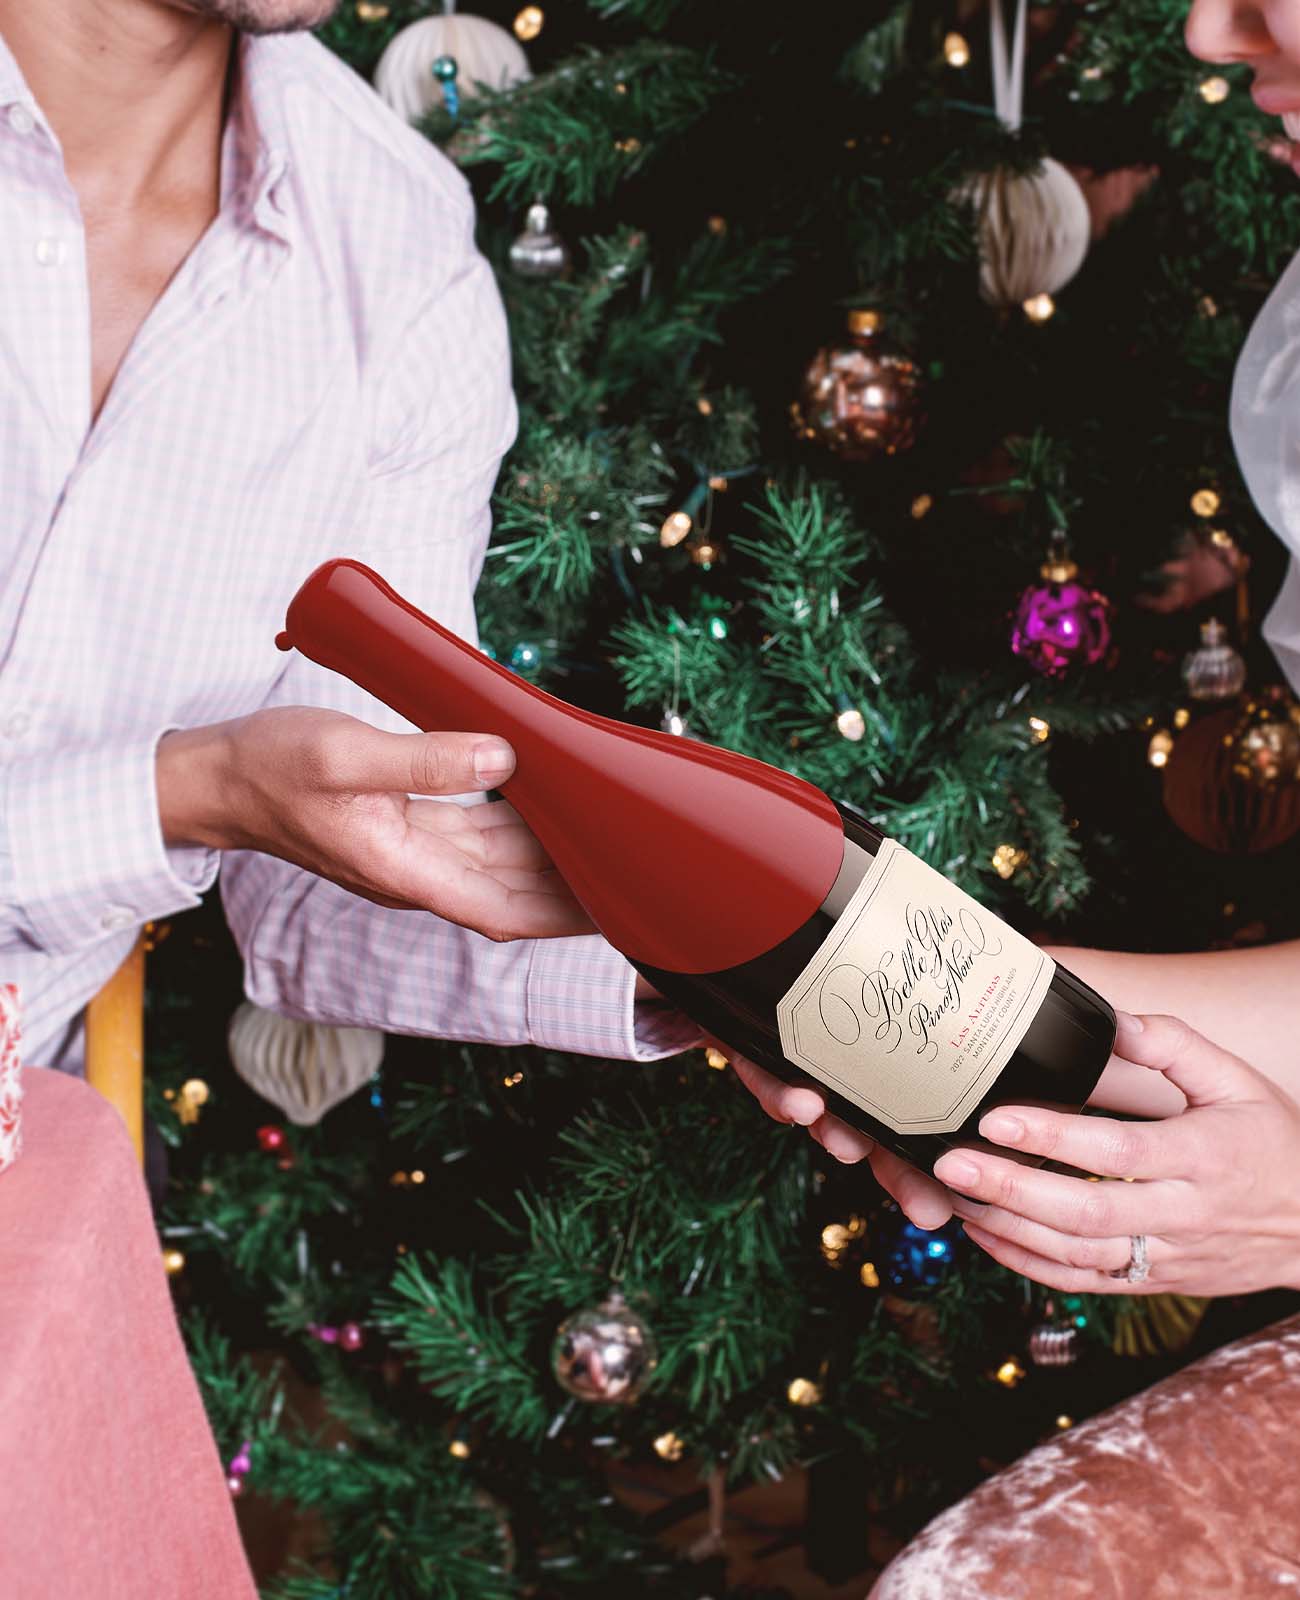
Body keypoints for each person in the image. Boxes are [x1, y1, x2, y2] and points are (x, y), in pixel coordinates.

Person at [0, 0, 717, 1076]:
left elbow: (331, 862)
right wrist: (185, 791)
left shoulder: (399, 250)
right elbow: (233, 794)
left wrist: (731, 976)